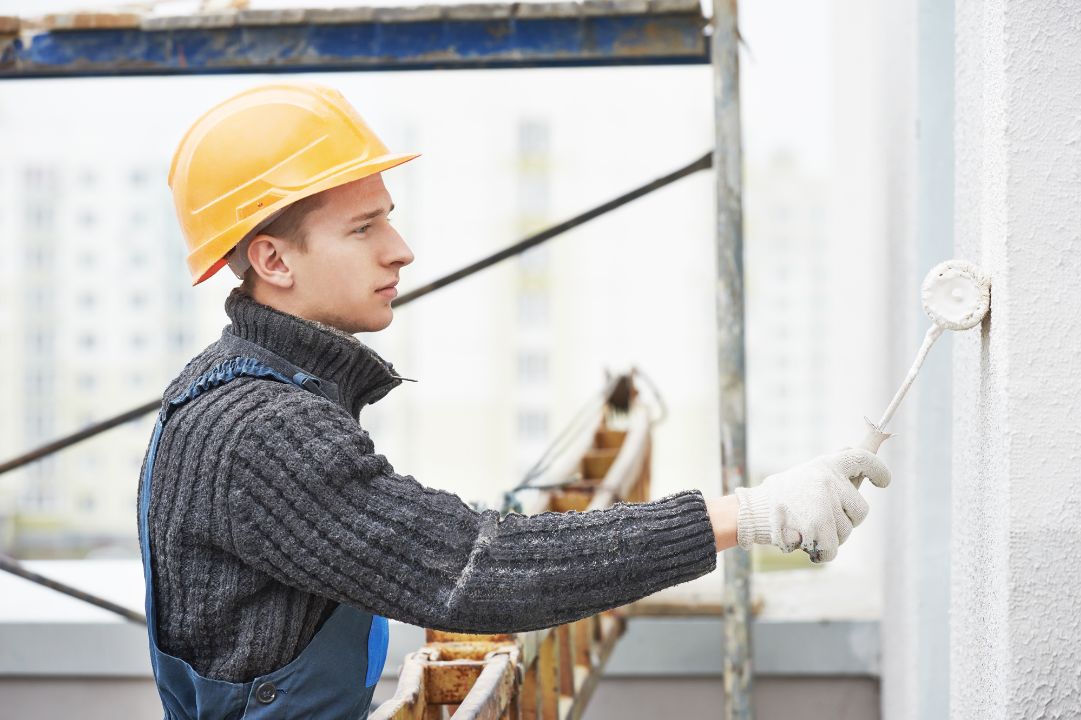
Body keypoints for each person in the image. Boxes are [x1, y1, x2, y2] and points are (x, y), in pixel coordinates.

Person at [137, 82, 890, 719]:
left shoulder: (235, 393)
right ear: (272, 259)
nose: (399, 249)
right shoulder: (260, 431)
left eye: (388, 217)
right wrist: (746, 515)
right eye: (364, 227)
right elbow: (473, 573)